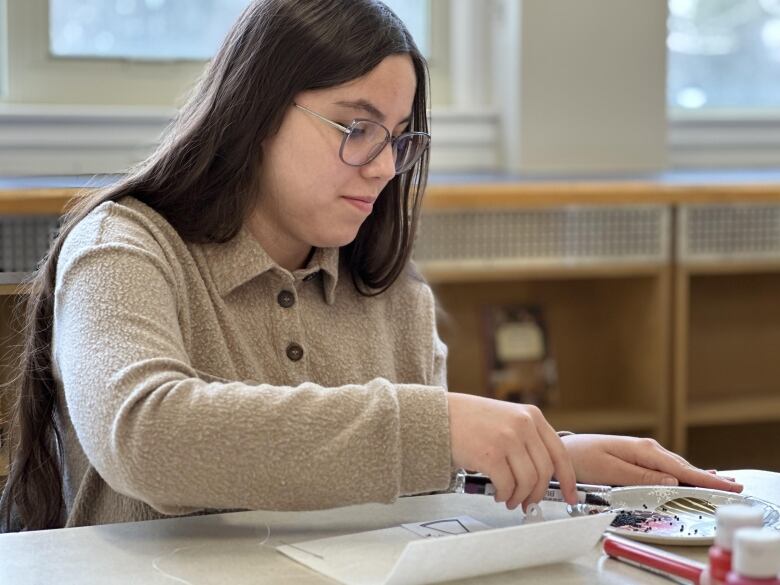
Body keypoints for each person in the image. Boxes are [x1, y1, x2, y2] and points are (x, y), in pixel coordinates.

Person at [0, 0, 740, 533]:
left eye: (398, 137)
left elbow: (415, 474)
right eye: (355, 128)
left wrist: (555, 459)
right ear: (254, 110)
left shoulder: (391, 290)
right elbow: (146, 437)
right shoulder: (123, 247)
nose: (385, 166)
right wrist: (438, 422)